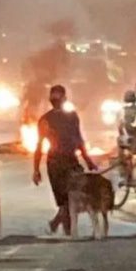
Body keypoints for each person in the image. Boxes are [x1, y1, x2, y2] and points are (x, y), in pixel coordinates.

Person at [33, 85, 97, 235]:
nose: (55, 100)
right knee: (65, 201)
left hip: (69, 162)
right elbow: (40, 145)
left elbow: (79, 140)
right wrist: (36, 170)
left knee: (70, 199)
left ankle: (59, 227)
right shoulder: (47, 120)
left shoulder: (69, 117)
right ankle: (64, 230)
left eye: (57, 97)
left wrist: (88, 161)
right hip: (57, 164)